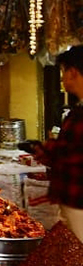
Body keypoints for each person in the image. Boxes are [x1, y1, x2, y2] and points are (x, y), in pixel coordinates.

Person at [37, 45, 83, 240]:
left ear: (73, 72)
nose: (63, 79)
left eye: (64, 72)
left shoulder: (79, 117)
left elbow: (71, 157)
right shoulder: (78, 111)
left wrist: (47, 151)